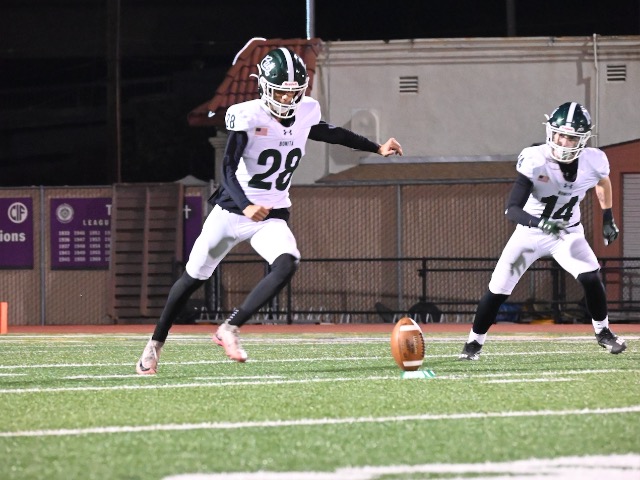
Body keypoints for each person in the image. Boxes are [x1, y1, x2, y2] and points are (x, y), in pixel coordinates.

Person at [136, 47, 403, 374]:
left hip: (271, 212)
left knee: (287, 262)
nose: (288, 99)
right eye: (280, 92)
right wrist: (246, 205)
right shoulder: (248, 116)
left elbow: (331, 133)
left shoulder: (305, 112)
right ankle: (155, 344)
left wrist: (376, 147)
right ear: (263, 87)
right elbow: (227, 169)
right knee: (193, 278)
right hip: (231, 210)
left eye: (294, 92)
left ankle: (229, 328)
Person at [459, 101, 626, 361]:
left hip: (567, 233)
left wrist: (607, 215)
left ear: (582, 140)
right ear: (550, 132)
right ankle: (473, 343)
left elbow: (602, 182)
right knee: (498, 289)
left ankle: (603, 332)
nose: (563, 142)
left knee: (591, 276)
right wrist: (541, 223)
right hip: (530, 233)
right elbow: (512, 209)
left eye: (571, 138)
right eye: (559, 135)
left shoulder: (594, 161)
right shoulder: (536, 159)